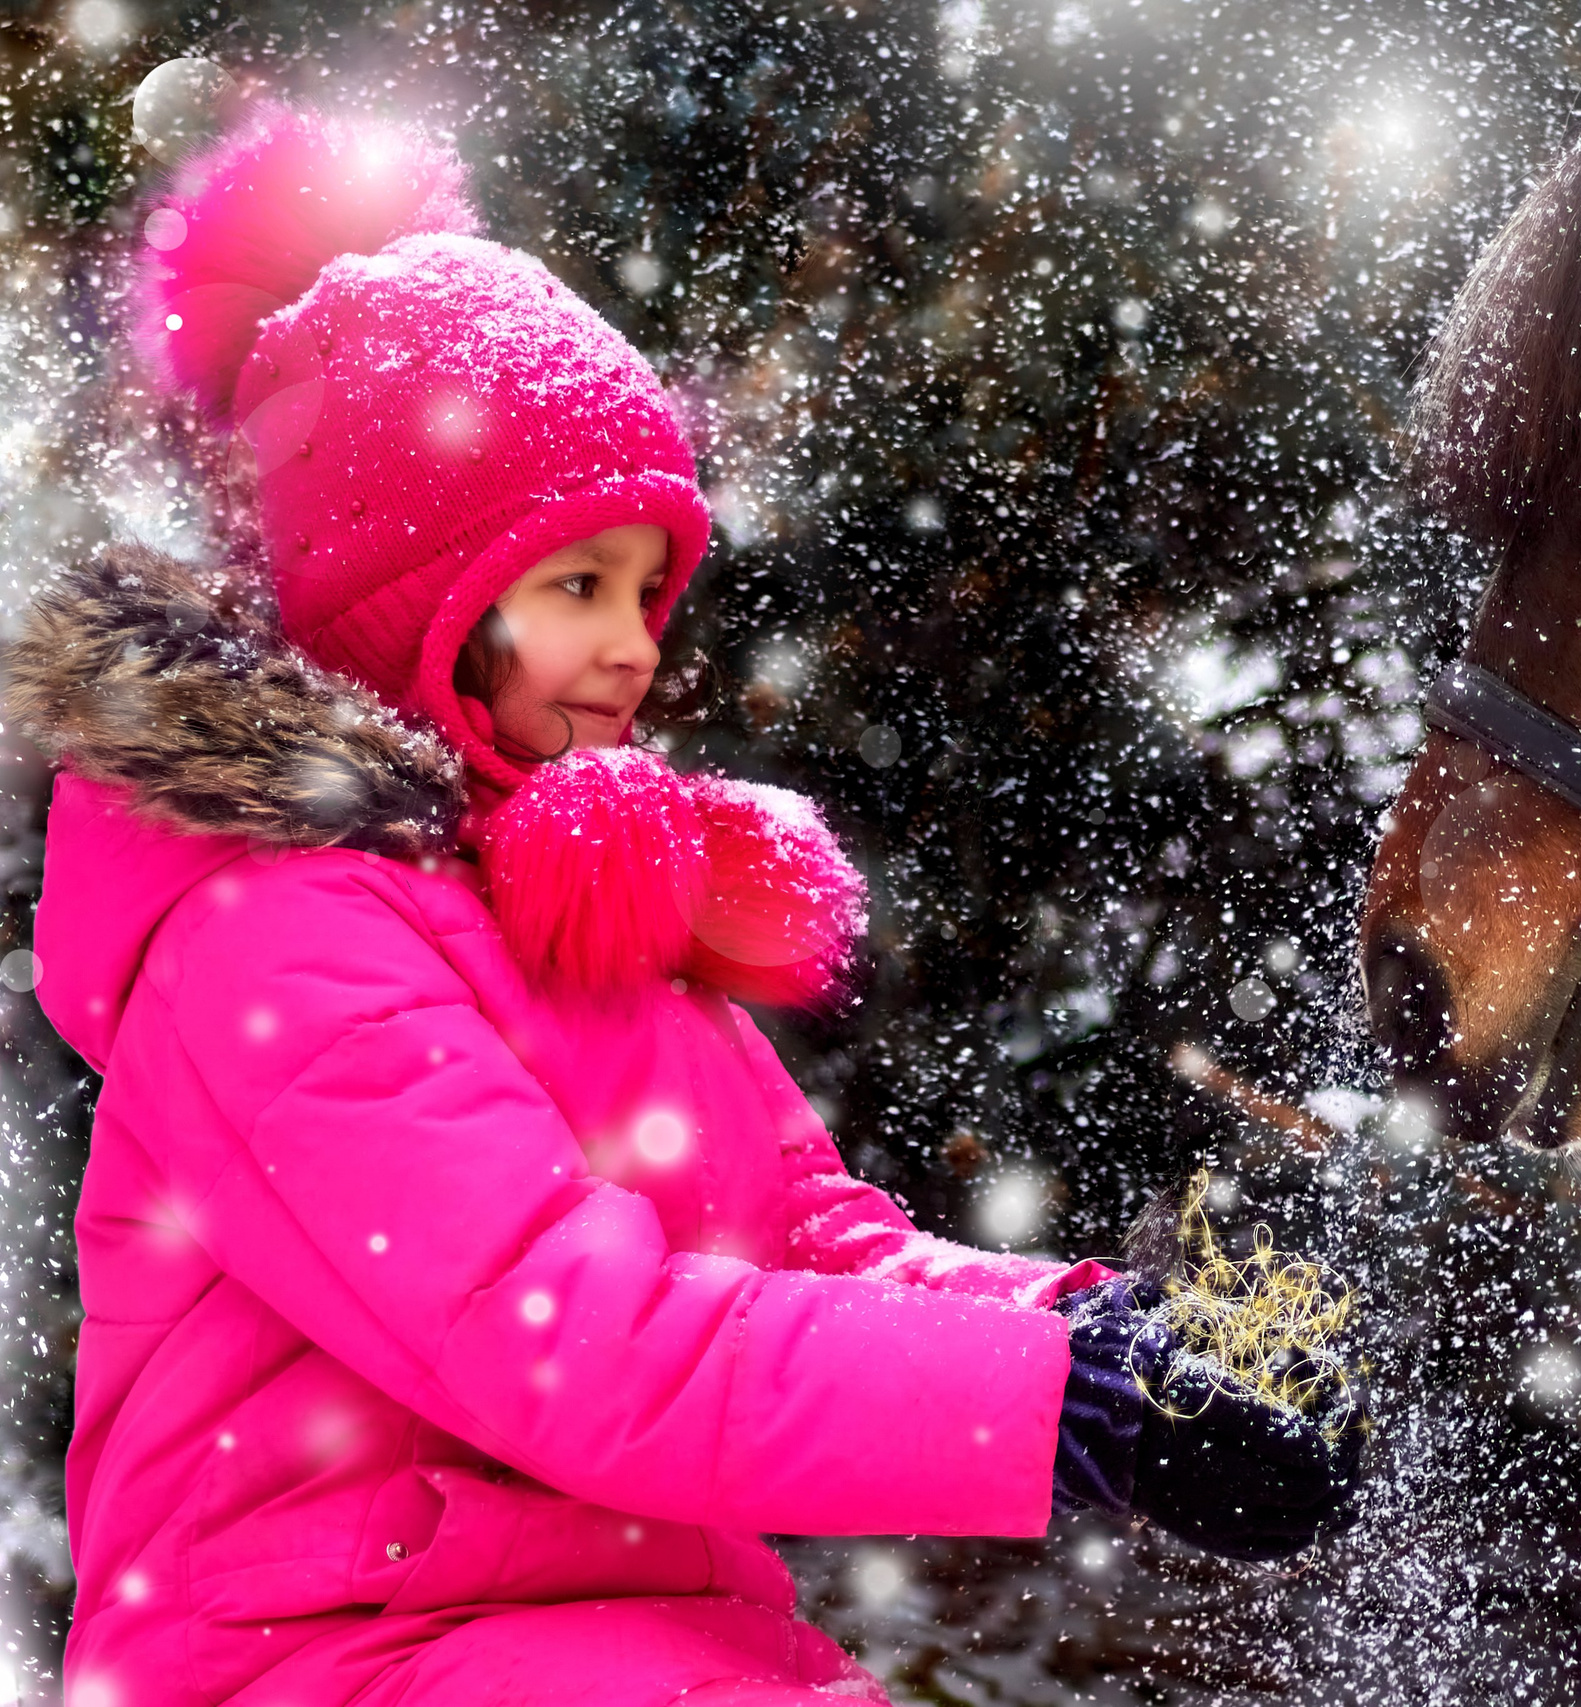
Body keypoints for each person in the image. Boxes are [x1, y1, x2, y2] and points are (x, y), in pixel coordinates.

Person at [4, 105, 1358, 1707]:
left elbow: (803, 1239)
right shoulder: (274, 936)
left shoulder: (563, 898)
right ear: (404, 597)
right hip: (332, 1657)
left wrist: (1103, 1340)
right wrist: (1049, 1406)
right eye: (576, 585)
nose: (639, 644)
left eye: (651, 588)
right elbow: (568, 1334)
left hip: (602, 1636)